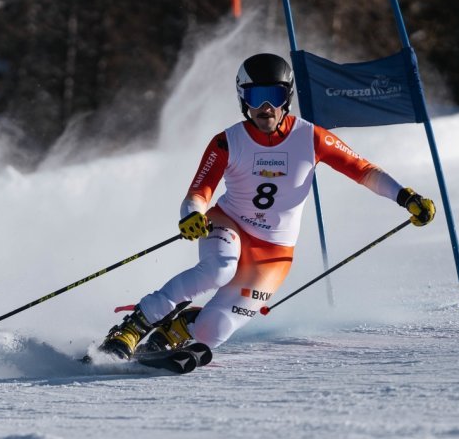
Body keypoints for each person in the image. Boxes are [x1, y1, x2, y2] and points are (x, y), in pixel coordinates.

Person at [97, 53, 436, 359]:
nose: (266, 109)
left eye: (273, 97)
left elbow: (362, 170)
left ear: (286, 98)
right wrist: (192, 216)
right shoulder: (228, 141)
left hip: (274, 251)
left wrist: (406, 198)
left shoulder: (312, 137)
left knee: (212, 331)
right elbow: (199, 192)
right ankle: (132, 328)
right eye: (256, 97)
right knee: (219, 269)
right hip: (228, 223)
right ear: (243, 99)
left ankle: (180, 329)